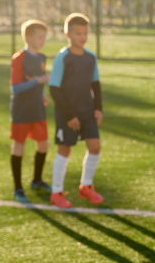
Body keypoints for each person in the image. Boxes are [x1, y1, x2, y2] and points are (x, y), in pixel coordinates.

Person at [48, 12, 105, 209]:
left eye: (85, 33)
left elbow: (95, 84)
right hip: (67, 113)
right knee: (65, 149)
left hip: (87, 111)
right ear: (68, 35)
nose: (82, 37)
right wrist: (69, 116)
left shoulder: (90, 58)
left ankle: (86, 186)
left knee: (95, 146)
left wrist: (98, 108)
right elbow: (54, 88)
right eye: (78, 33)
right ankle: (56, 192)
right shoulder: (62, 58)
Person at [9, 19, 51, 202]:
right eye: (40, 37)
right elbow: (15, 88)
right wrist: (37, 81)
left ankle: (37, 180)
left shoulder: (42, 58)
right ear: (28, 36)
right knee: (19, 146)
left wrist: (41, 95)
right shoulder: (19, 58)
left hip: (37, 109)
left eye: (44, 37)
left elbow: (38, 83)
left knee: (43, 145)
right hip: (21, 111)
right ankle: (18, 188)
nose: (43, 40)